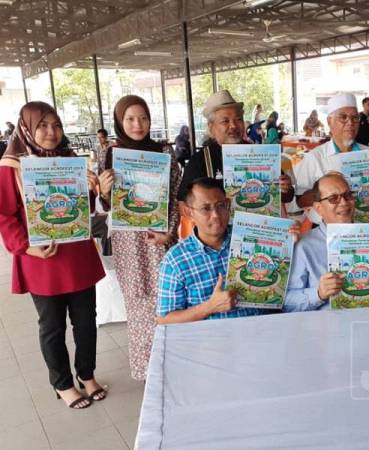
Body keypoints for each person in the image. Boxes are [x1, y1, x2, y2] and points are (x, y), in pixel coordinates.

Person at [0, 102, 106, 408]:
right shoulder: (12, 165)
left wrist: (90, 189)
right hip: (42, 259)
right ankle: (62, 384)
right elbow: (5, 214)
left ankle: (86, 375)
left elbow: (79, 208)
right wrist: (25, 245)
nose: (51, 132)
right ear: (27, 128)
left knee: (86, 321)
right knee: (52, 326)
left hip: (77, 255)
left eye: (56, 125)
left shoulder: (69, 159)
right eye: (43, 126)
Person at [96, 95, 181, 381]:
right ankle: (147, 370)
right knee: (137, 301)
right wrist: (104, 192)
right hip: (128, 243)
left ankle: (173, 364)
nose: (138, 124)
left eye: (143, 118)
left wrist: (168, 233)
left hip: (158, 238)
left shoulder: (165, 154)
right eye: (130, 119)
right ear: (120, 121)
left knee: (166, 298)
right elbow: (105, 206)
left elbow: (174, 197)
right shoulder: (110, 154)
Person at [157, 177, 300, 323]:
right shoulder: (175, 260)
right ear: (189, 212)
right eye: (205, 208)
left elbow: (280, 278)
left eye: (221, 205)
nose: (216, 215)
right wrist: (209, 307)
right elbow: (164, 319)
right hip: (211, 341)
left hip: (260, 331)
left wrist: (288, 242)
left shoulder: (252, 235)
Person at [285, 172, 369, 311]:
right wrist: (318, 294)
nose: (344, 202)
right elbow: (286, 303)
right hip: (326, 329)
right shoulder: (303, 246)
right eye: (333, 198)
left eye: (347, 195)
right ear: (318, 208)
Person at [178, 90, 294, 204]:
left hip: (255, 222)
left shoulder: (259, 154)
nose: (233, 126)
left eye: (238, 119)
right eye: (225, 121)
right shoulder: (200, 161)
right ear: (211, 126)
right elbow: (183, 203)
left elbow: (287, 197)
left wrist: (285, 188)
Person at [294, 93, 369, 211]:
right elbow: (299, 200)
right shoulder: (315, 158)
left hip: (366, 224)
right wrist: (326, 191)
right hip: (328, 227)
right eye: (343, 117)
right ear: (329, 121)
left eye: (355, 118)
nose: (350, 123)